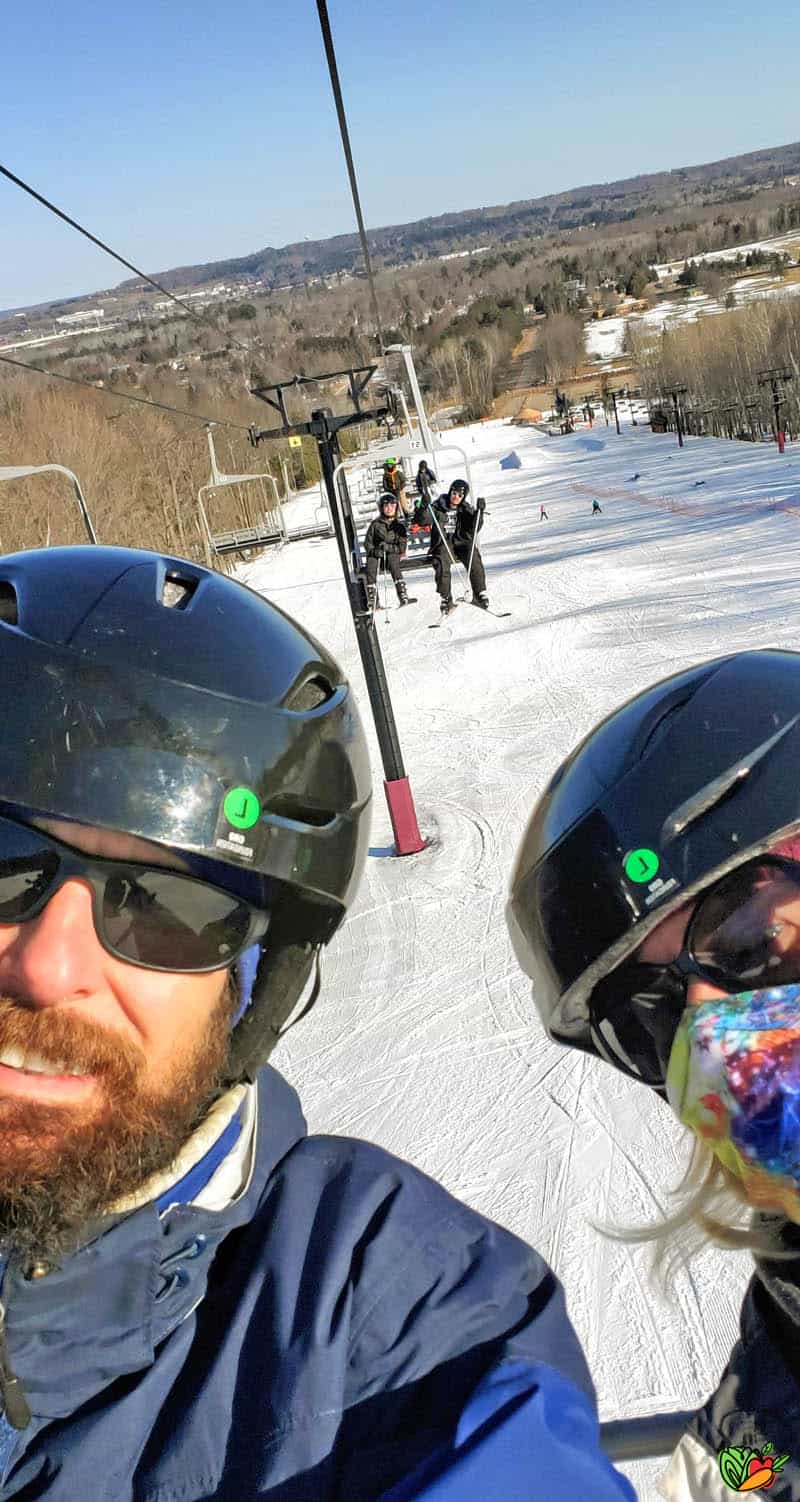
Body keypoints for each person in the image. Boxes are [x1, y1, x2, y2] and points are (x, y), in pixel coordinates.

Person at [0, 542, 634, 1500]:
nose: (47, 966)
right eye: (7, 862)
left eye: (168, 911)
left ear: (256, 988)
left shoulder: (378, 1317)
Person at [507, 648, 800, 1501]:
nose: (712, 1032)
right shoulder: (784, 1363)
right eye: (651, 1016)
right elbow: (748, 1467)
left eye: (748, 941)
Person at [429, 479, 489, 616]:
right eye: (454, 493)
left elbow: (474, 528)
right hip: (444, 543)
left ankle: (479, 593)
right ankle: (446, 598)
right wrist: (423, 507)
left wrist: (479, 513)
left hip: (461, 543)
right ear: (450, 491)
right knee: (441, 560)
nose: (456, 497)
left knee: (473, 554)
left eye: (460, 495)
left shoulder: (465, 508)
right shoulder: (438, 505)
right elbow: (423, 519)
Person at [363, 493, 415, 609]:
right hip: (378, 557)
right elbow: (367, 543)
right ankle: (373, 600)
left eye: (392, 505)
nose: (389, 508)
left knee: (393, 560)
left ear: (396, 507)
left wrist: (388, 548)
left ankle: (402, 595)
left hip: (392, 556)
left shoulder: (399, 526)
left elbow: (401, 547)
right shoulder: (375, 525)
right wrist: (375, 551)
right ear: (381, 508)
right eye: (386, 506)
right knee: (371, 562)